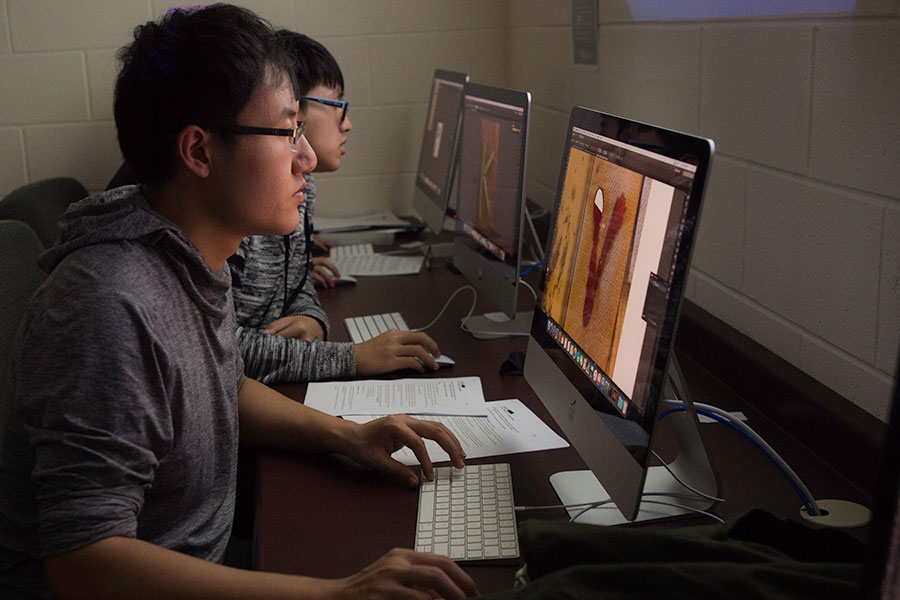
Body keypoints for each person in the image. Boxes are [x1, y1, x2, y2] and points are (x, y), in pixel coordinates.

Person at [0, 5, 476, 599]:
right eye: (286, 132)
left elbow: (219, 378)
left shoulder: (191, 252)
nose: (305, 158)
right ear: (199, 152)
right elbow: (83, 563)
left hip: (213, 556)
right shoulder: (110, 305)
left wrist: (346, 435)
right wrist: (334, 594)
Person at [232, 30, 445, 384]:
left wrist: (312, 318)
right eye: (337, 104)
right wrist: (353, 357)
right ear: (293, 107)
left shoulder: (301, 187)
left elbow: (297, 282)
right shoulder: (241, 206)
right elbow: (219, 351)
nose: (347, 123)